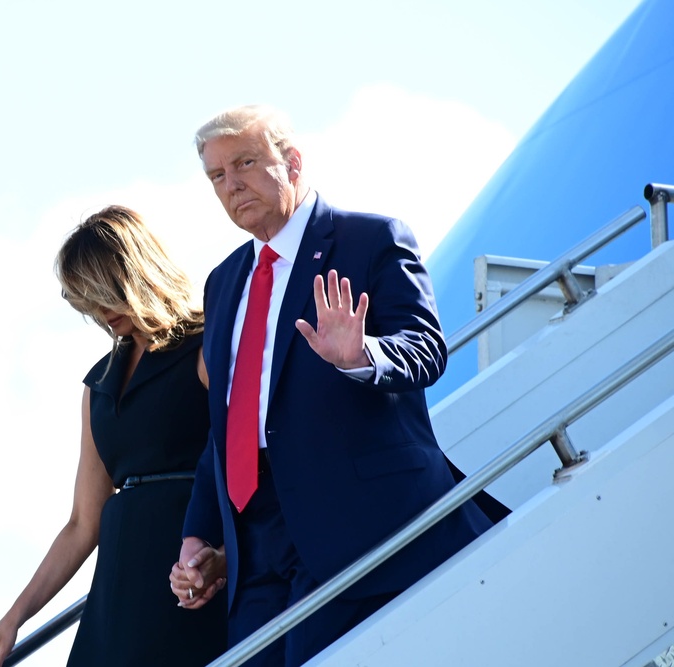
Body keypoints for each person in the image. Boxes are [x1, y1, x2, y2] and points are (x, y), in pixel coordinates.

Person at [169, 105, 494, 665]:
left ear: (292, 163)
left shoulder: (369, 238)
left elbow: (425, 349)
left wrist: (361, 355)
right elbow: (230, 421)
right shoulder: (224, 282)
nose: (232, 184)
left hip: (352, 519)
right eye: (217, 175)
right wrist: (199, 532)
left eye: (246, 162)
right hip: (255, 541)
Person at [0, 206, 226, 667]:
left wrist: (222, 556)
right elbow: (83, 523)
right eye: (87, 298)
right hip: (115, 595)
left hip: (187, 572)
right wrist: (12, 620)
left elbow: (249, 462)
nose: (100, 310)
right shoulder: (98, 385)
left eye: (105, 292)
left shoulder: (207, 345)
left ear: (137, 272)